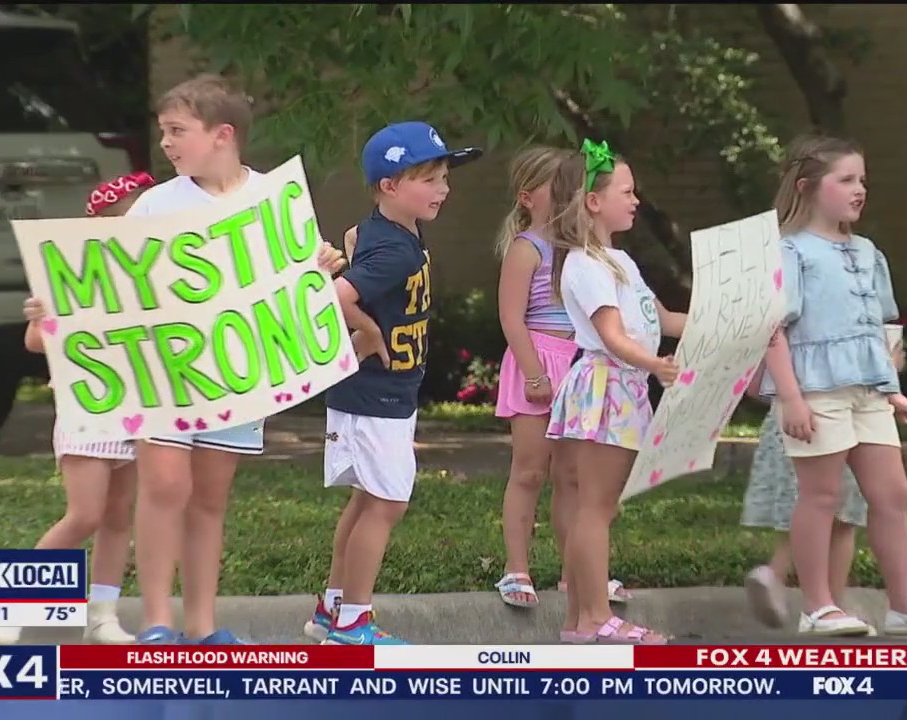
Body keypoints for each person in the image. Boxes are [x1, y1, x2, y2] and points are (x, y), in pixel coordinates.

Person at [128, 74, 346, 644]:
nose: (167, 144)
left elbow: (294, 281)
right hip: (164, 370)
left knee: (208, 499)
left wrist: (322, 264)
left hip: (237, 375)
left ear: (222, 134)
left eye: (178, 131)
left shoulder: (276, 199)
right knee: (164, 488)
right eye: (163, 133)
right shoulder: (157, 203)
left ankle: (201, 627)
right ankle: (156, 623)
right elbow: (115, 283)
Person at [758, 133, 907, 637]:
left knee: (892, 492)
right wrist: (791, 397)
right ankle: (816, 607)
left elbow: (876, 330)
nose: (860, 189)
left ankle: (906, 605)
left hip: (867, 391)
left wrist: (893, 390)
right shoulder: (790, 251)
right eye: (846, 180)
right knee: (821, 495)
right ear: (808, 187)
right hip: (815, 390)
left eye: (862, 180)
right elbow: (771, 328)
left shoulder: (866, 251)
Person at [305, 121, 482, 646]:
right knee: (386, 504)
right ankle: (354, 623)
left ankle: (333, 611)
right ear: (389, 186)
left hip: (381, 394)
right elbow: (337, 296)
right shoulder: (395, 249)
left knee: (367, 501)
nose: (443, 188)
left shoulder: (392, 231)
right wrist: (369, 330)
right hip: (375, 394)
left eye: (445, 176)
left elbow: (358, 244)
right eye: (429, 179)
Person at [0, 171, 158, 646]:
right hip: (86, 406)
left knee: (119, 515)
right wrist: (50, 316)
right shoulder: (73, 271)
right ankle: (10, 606)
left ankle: (102, 617)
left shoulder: (160, 272)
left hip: (142, 406)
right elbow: (35, 341)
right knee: (85, 514)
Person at [544, 140, 685, 645]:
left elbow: (661, 319)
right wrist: (656, 365)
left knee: (598, 506)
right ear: (593, 201)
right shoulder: (586, 264)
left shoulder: (618, 260)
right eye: (626, 191)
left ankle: (580, 621)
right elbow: (613, 335)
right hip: (607, 386)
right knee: (596, 507)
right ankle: (596, 617)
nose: (636, 200)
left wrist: (731, 324)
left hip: (617, 386)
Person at [490, 146, 634, 610]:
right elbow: (512, 319)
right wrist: (533, 373)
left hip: (580, 367)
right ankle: (516, 570)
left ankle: (579, 577)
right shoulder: (526, 249)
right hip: (538, 360)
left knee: (573, 477)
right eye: (559, 187)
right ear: (528, 197)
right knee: (530, 471)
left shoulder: (585, 252)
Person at [740, 328, 907, 633]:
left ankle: (779, 574)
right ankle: (828, 604)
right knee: (840, 519)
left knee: (810, 504)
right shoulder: (866, 319)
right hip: (836, 420)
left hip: (787, 422)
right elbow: (884, 369)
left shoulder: (788, 318)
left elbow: (754, 387)